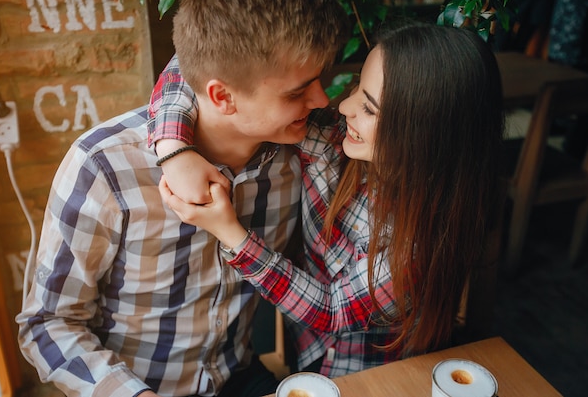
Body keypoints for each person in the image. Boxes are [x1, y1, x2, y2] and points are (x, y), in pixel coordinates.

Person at [15, 0, 348, 396]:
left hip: (238, 376)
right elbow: (46, 324)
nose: (321, 99)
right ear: (221, 96)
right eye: (297, 91)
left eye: (321, 79)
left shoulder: (299, 154)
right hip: (133, 386)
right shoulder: (104, 168)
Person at [150, 21, 506, 378]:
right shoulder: (332, 146)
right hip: (301, 351)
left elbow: (332, 311)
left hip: (379, 374)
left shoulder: (420, 243)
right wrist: (174, 149)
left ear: (423, 135)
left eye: (368, 108)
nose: (344, 106)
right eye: (356, 87)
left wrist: (230, 232)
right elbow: (201, 63)